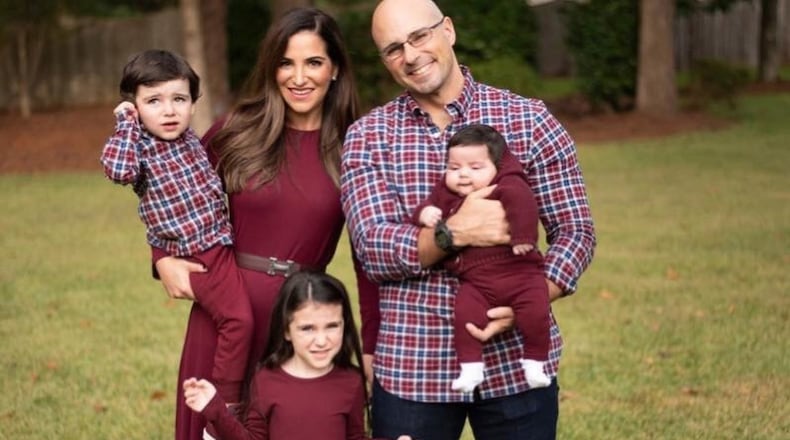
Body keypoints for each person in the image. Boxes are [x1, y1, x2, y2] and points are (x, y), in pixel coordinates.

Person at [340, 0, 596, 439]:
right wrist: (453, 232)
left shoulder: (529, 120)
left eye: (419, 36)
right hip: (413, 369)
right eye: (394, 48)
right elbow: (374, 248)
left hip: (516, 366)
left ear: (449, 31)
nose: (411, 55)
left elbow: (576, 231)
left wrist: (526, 299)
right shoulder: (368, 136)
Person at [150, 8, 377, 440]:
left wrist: (371, 347)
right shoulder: (237, 130)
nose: (299, 77)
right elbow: (173, 190)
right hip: (222, 318)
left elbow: (367, 259)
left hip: (299, 324)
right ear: (271, 67)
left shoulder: (355, 145)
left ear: (335, 70)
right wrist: (161, 258)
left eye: (313, 62)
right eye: (286, 62)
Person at [100, 49, 253, 407]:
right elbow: (118, 170)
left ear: (193, 103)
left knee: (239, 319)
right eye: (154, 101)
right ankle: (224, 403)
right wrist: (126, 123)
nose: (169, 110)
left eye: (179, 99)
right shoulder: (139, 148)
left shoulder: (190, 140)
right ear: (135, 107)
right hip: (199, 255)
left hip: (219, 245)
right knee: (239, 321)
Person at [183, 271, 411, 440]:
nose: (321, 340)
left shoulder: (350, 381)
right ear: (286, 330)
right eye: (307, 328)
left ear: (344, 324)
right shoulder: (266, 380)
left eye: (332, 326)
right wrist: (216, 410)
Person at [412, 124, 551, 393]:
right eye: (454, 168)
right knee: (465, 314)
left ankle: (535, 362)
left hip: (522, 275)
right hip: (476, 281)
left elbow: (522, 204)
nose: (463, 175)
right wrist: (425, 213)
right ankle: (470, 369)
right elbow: (428, 207)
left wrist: (523, 237)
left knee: (535, 313)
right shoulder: (446, 193)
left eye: (475, 168)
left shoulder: (506, 185)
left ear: (496, 167)